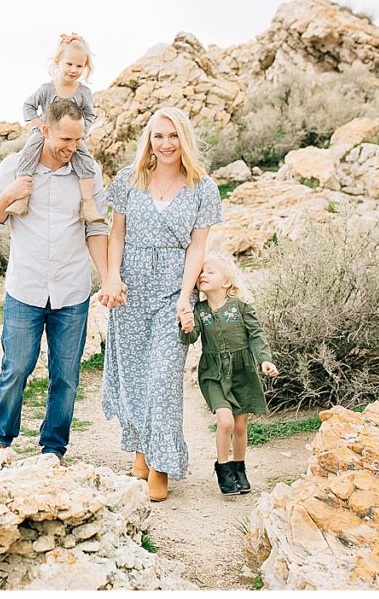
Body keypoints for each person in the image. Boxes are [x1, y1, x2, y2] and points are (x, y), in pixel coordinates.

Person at [98, 107, 222, 502]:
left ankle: (161, 464)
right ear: (148, 140)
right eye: (158, 136)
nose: (165, 144)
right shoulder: (129, 180)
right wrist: (111, 277)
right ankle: (139, 448)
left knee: (163, 378)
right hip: (131, 287)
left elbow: (198, 247)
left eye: (172, 136)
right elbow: (115, 235)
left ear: (184, 139)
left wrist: (186, 298)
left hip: (173, 290)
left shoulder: (203, 188)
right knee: (133, 373)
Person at [0, 98, 111, 466]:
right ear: (46, 130)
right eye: (65, 140)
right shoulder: (14, 166)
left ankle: (53, 448)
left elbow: (96, 226)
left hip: (72, 289)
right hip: (25, 287)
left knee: (66, 376)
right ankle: (2, 439)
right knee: (17, 367)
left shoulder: (88, 174)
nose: (72, 148)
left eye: (78, 140)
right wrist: (9, 196)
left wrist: (106, 278)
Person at [178, 256, 279, 495]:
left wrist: (265, 359)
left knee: (241, 425)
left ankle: (239, 468)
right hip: (213, 373)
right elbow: (191, 339)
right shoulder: (199, 310)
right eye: (200, 272)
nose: (202, 275)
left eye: (210, 272)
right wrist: (187, 327)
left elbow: (256, 335)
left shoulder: (241, 307)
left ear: (226, 282)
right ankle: (223, 468)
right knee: (226, 422)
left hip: (242, 372)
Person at [5, 32, 104, 223]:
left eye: (79, 66)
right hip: (46, 134)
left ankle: (88, 205)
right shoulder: (46, 89)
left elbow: (90, 114)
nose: (73, 70)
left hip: (72, 137)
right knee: (28, 154)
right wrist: (38, 125)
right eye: (69, 64)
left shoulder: (83, 92)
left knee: (86, 161)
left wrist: (81, 134)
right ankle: (22, 198)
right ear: (58, 61)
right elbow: (28, 106)